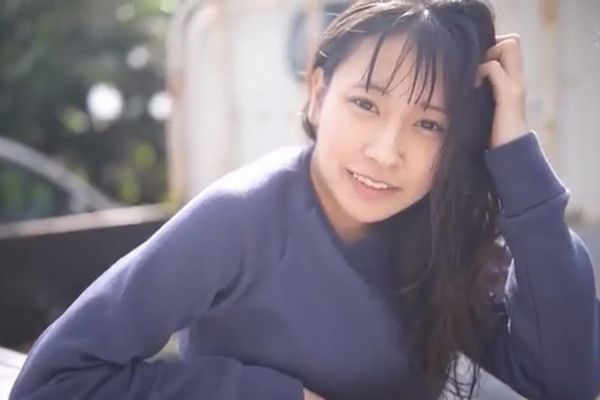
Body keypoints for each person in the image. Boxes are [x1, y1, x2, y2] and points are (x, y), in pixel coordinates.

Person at [9, 1, 600, 399]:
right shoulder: (241, 218)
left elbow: (568, 380)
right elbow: (54, 380)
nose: (385, 151)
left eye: (429, 125)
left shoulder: (439, 230)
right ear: (318, 95)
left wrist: (516, 157)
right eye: (365, 104)